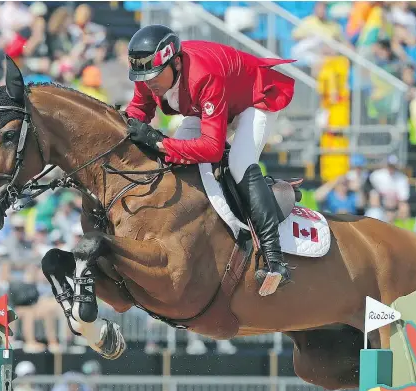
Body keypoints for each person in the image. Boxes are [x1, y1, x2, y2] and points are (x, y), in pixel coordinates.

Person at [124, 25, 296, 295]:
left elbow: (212, 148)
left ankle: (275, 260)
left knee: (240, 162)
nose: (149, 83)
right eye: (143, 77)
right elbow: (138, 110)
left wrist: (159, 142)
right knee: (173, 161)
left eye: (154, 75)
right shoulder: (149, 71)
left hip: (254, 99)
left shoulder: (204, 75)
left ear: (176, 62)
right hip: (209, 106)